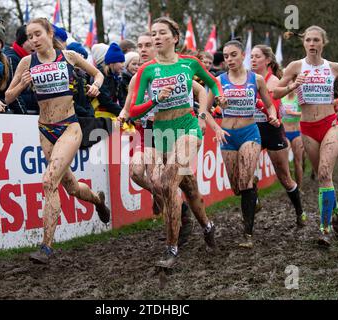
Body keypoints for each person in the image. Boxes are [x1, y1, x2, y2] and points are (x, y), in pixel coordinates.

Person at [5, 18, 110, 264]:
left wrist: (95, 86)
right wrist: (22, 84)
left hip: (70, 127)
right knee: (70, 187)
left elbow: (98, 75)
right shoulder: (25, 62)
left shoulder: (69, 57)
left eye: (37, 34)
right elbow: (8, 97)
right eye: (29, 37)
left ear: (50, 33)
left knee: (48, 181)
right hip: (45, 130)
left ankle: (47, 247)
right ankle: (98, 201)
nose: (33, 40)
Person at [129, 17, 225, 268]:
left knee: (167, 182)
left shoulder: (189, 64)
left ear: (175, 38)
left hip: (187, 129)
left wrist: (208, 109)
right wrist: (154, 100)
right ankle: (207, 226)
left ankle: (171, 249)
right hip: (160, 135)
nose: (157, 37)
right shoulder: (146, 70)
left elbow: (213, 83)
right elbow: (134, 112)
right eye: (153, 33)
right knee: (190, 187)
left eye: (162, 33)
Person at [274, 26, 338, 246]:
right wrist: (292, 84)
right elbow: (275, 92)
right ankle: (336, 212)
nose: (311, 43)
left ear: (323, 43)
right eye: (308, 40)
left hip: (330, 124)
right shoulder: (295, 66)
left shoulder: (334, 67)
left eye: (316, 40)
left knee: (325, 173)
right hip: (307, 128)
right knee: (322, 177)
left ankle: (325, 229)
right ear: (304, 43)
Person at [211, 40, 279, 249]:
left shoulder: (256, 79)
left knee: (244, 180)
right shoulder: (218, 81)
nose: (229, 59)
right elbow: (204, 111)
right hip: (227, 136)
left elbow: (269, 105)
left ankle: (247, 234)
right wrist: (216, 127)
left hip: (250, 133)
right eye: (226, 56)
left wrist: (273, 117)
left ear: (243, 55)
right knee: (237, 187)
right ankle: (253, 191)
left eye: (233, 55)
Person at [251, 44, 307, 226]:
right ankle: (254, 198)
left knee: (284, 177)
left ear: (268, 60)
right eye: (251, 56)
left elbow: (273, 103)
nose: (252, 60)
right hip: (253, 130)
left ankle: (299, 211)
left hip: (273, 130)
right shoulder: (246, 79)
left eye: (257, 56)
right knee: (245, 173)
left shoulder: (273, 80)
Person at [4, 25, 39, 114]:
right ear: (22, 42)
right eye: (30, 38)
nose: (35, 42)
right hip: (21, 117)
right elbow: (12, 95)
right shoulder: (12, 59)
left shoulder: (34, 58)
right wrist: (24, 115)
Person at [280, 80, 305, 188]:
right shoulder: (282, 99)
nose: (290, 87)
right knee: (284, 161)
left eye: (292, 85)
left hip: (296, 132)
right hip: (284, 132)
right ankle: (291, 185)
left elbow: (305, 112)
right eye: (288, 85)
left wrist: (293, 113)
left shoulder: (298, 98)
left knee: (297, 161)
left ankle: (299, 188)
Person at [92, 43, 126, 118]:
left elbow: (121, 98)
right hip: (100, 115)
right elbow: (104, 100)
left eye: (123, 62)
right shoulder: (101, 75)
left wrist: (125, 111)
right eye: (120, 62)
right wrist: (121, 112)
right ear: (112, 63)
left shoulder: (117, 77)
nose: (123, 65)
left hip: (112, 112)